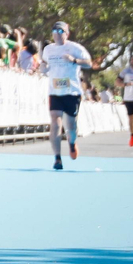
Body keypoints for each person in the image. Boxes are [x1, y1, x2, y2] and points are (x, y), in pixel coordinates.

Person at [36, 21, 94, 170]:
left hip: (72, 92)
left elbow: (89, 63)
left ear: (67, 34)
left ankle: (72, 143)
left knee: (71, 127)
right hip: (55, 92)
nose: (57, 33)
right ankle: (57, 158)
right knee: (55, 122)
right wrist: (43, 68)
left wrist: (74, 60)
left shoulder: (75, 48)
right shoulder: (48, 50)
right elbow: (44, 65)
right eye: (55, 30)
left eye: (61, 31)